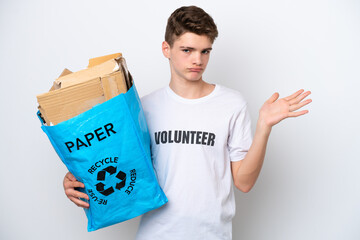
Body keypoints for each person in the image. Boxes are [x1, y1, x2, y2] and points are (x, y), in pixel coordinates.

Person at [63, 5, 312, 240]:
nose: (198, 60)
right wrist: (77, 179)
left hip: (212, 235)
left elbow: (244, 183)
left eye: (205, 51)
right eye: (187, 50)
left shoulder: (232, 104)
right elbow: (116, 164)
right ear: (166, 49)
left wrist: (263, 127)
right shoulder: (144, 108)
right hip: (156, 234)